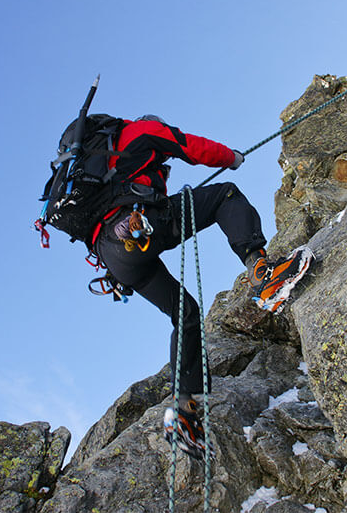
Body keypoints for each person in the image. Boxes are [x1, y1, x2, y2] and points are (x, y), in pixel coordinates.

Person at [65, 114, 311, 459]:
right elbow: (190, 147)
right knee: (226, 195)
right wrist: (232, 158)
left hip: (115, 255)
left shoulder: (95, 166)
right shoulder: (141, 130)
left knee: (186, 313)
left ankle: (184, 416)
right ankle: (261, 272)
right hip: (140, 222)